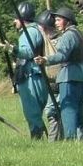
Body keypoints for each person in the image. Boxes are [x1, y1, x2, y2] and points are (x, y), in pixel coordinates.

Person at [34, 7, 83, 140]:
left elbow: (61, 55)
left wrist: (46, 59)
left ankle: (70, 138)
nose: (56, 23)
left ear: (67, 21)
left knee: (67, 109)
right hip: (80, 75)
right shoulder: (78, 33)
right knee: (79, 108)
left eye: (59, 20)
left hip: (69, 75)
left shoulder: (68, 35)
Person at [2, 1, 48, 139]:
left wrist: (12, 48)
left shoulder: (30, 32)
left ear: (22, 19)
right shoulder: (30, 31)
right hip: (30, 74)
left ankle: (37, 137)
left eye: (16, 18)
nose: (14, 21)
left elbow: (28, 52)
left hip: (31, 76)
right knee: (32, 111)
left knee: (32, 110)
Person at [36, 9, 62, 142]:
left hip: (61, 81)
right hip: (50, 83)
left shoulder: (60, 40)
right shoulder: (43, 42)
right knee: (52, 113)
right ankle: (55, 141)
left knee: (55, 112)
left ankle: (56, 141)